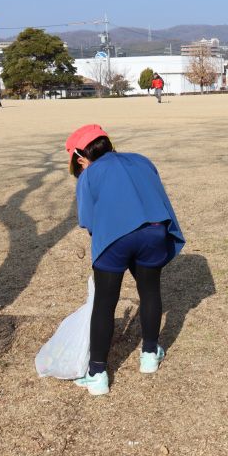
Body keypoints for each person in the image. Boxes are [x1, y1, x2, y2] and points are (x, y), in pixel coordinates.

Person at [65, 124, 185, 396]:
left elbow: (88, 221)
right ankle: (149, 356)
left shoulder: (89, 174)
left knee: (105, 303)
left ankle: (97, 374)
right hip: (155, 232)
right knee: (150, 291)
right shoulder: (141, 160)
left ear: (80, 158)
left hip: (115, 240)